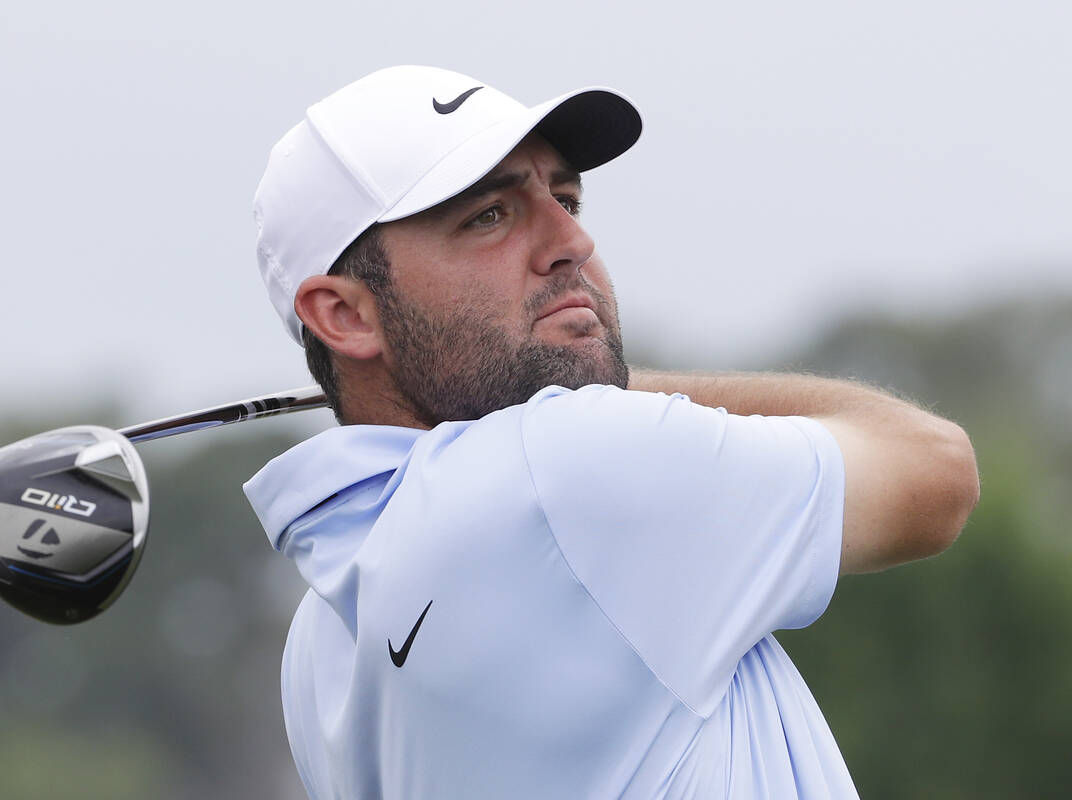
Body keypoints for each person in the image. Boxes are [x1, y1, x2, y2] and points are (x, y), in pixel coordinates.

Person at [243, 65, 980, 799]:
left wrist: (569, 365)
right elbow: (936, 471)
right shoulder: (566, 466)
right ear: (345, 314)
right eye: (488, 216)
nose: (571, 239)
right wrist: (618, 381)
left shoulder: (315, 650)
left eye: (565, 197)